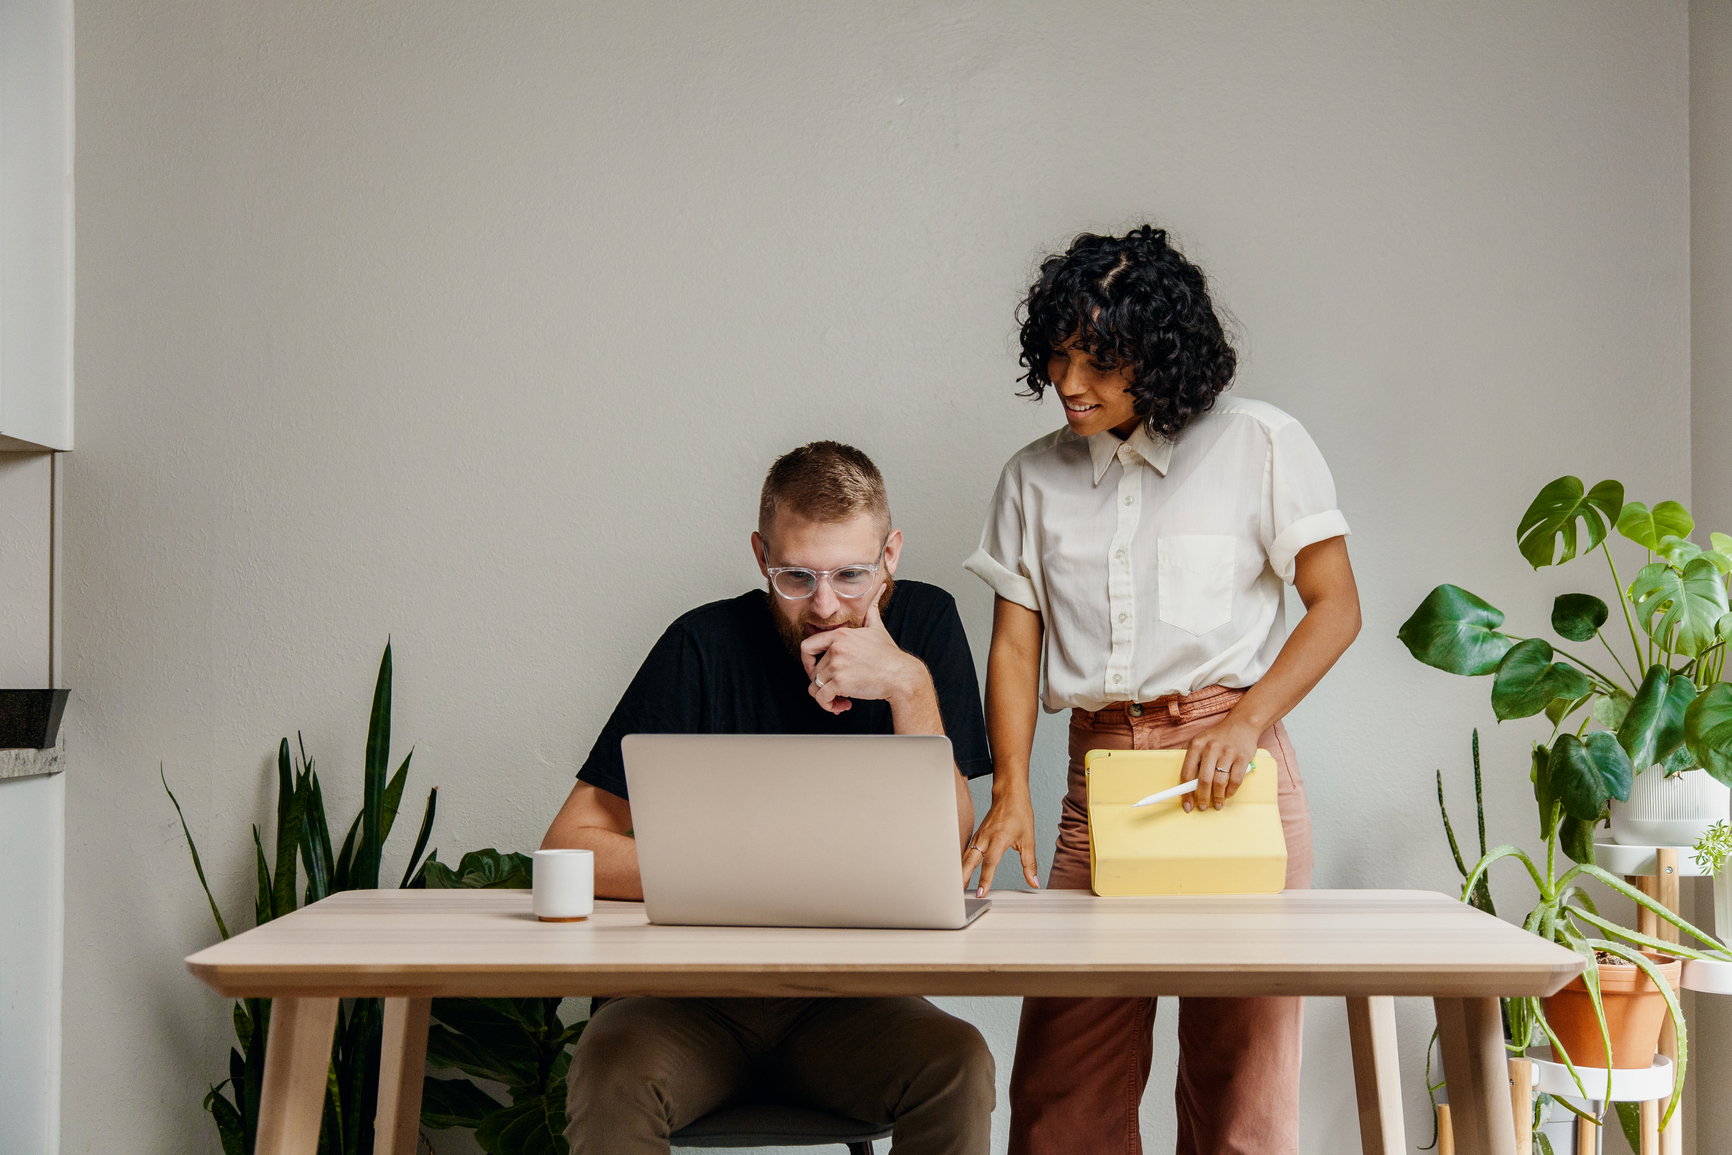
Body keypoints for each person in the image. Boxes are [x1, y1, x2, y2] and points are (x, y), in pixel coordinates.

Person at [962, 226, 1362, 1155]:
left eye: (1097, 360)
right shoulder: (1031, 478)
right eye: (1057, 355)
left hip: (1232, 763)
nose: (1069, 381)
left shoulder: (1260, 442)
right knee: (1064, 1103)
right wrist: (1012, 786)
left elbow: (1335, 606)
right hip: (1093, 785)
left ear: (1162, 354)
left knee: (1241, 1100)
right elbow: (1016, 651)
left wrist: (1253, 718)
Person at [543, 440, 997, 1155]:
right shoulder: (701, 643)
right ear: (761, 556)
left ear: (891, 555)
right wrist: (747, 878)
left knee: (959, 1063)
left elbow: (947, 852)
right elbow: (570, 842)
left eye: (851, 575)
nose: (824, 605)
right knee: (610, 1065)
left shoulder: (928, 629)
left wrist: (908, 686)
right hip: (684, 1005)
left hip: (850, 1008)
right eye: (796, 576)